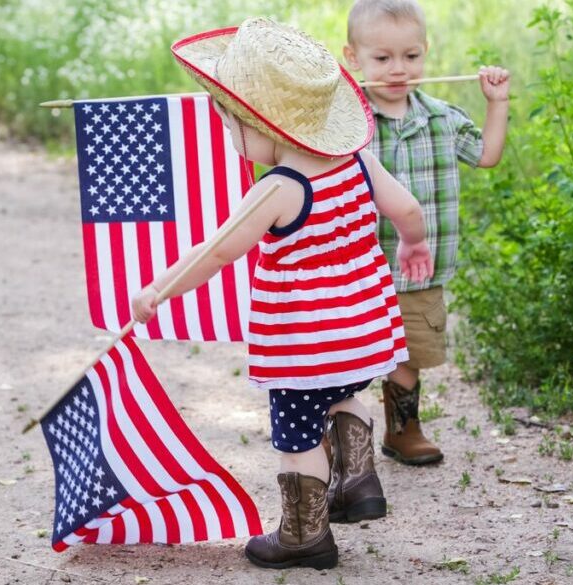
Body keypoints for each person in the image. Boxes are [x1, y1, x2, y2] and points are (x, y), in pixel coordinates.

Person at [132, 17, 431, 570]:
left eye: (231, 127)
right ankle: (358, 483)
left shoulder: (279, 188)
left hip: (306, 342)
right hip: (362, 331)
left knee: (296, 431)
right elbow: (408, 210)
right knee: (342, 391)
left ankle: (304, 536)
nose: (230, 138)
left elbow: (219, 250)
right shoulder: (356, 160)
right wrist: (413, 245)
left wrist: (160, 288)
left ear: (261, 125)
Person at [342, 0, 511, 465]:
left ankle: (403, 430)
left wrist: (497, 103)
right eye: (383, 58)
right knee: (351, 354)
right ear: (352, 57)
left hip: (421, 267)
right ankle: (341, 438)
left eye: (411, 56)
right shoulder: (344, 126)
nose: (399, 70)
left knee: (410, 350)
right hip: (357, 267)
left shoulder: (442, 117)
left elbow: (488, 155)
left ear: (425, 52)